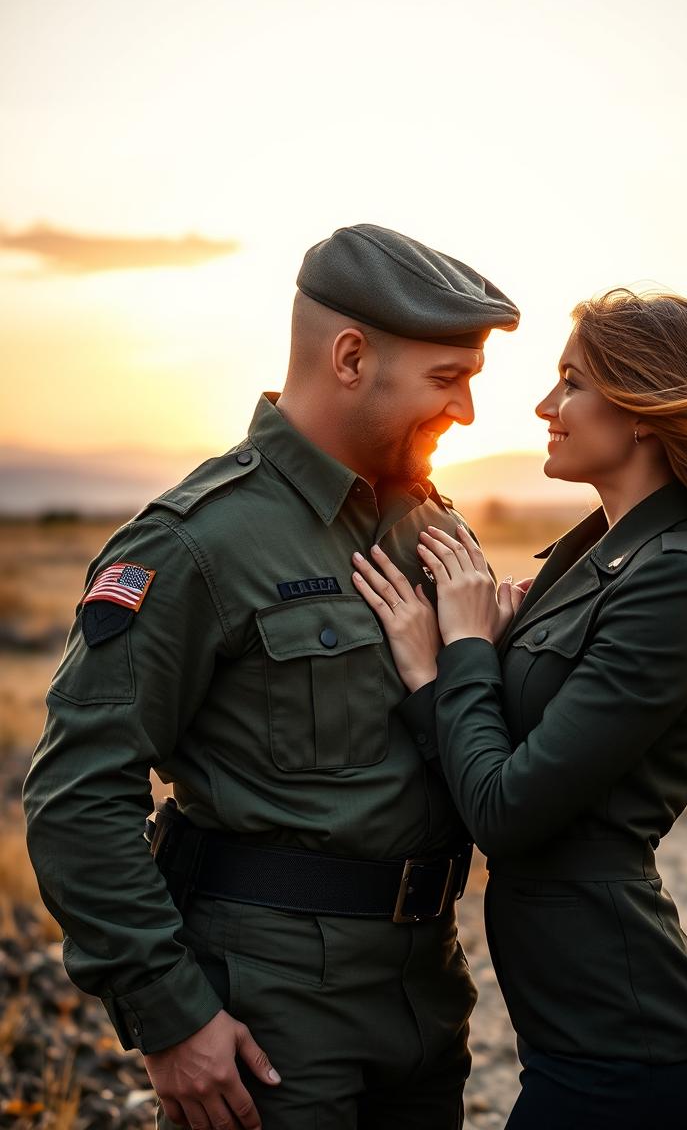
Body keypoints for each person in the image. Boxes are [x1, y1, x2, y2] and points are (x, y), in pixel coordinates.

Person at [23, 223, 520, 1130]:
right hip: (270, 1018)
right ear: (351, 356)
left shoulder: (432, 528)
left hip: (425, 995)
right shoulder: (197, 541)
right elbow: (74, 795)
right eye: (447, 381)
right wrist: (171, 1016)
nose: (467, 415)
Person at [352, 289, 687, 1130]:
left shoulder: (676, 580)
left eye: (571, 382)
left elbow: (504, 808)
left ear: (644, 410)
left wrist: (454, 658)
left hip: (625, 1044)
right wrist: (478, 650)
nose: (545, 407)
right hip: (576, 1028)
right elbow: (503, 753)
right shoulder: (599, 552)